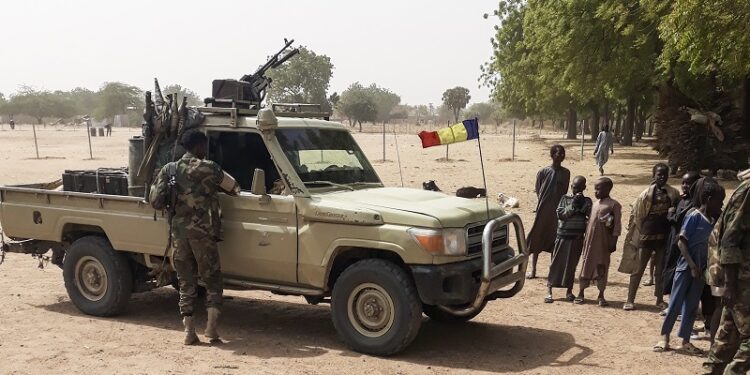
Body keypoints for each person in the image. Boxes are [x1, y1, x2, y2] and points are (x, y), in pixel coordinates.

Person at [154, 129, 238, 345]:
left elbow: (155, 201)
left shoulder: (169, 170)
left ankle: (189, 332)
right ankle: (211, 330)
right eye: (204, 145)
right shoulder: (210, 168)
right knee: (212, 280)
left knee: (186, 283)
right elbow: (234, 188)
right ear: (199, 146)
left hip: (179, 236)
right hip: (204, 235)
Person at [654, 180, 724, 354]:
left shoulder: (714, 220)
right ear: (708, 199)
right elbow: (681, 242)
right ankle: (664, 337)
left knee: (692, 306)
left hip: (701, 271)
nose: (721, 204)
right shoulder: (693, 216)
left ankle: (685, 340)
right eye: (719, 200)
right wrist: (692, 265)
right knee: (676, 303)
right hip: (686, 268)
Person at [703, 171, 750, 374]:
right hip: (741, 279)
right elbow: (730, 238)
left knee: (727, 337)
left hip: (741, 279)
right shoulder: (748, 191)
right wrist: (730, 286)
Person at [620, 163, 680, 311]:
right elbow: (638, 216)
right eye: (659, 174)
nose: (662, 177)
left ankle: (659, 299)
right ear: (653, 176)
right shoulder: (645, 194)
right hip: (646, 236)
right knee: (638, 269)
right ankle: (630, 299)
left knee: (660, 270)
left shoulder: (672, 193)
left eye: (664, 174)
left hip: (663, 237)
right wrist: (640, 233)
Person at [545, 176, 592, 303]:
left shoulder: (587, 201)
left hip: (576, 238)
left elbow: (589, 214)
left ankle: (569, 291)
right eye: (575, 187)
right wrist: (573, 205)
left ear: (584, 188)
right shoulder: (564, 199)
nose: (576, 190)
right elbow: (561, 214)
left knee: (571, 266)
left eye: (580, 188)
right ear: (571, 186)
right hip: (562, 236)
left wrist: (581, 203)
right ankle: (549, 290)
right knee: (556, 264)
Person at [526, 144, 571, 279]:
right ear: (552, 155)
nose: (561, 156)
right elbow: (539, 189)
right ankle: (533, 270)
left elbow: (564, 191)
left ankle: (553, 271)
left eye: (563, 153)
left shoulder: (566, 173)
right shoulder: (543, 172)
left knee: (555, 239)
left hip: (557, 212)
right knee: (536, 238)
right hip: (543, 210)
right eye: (558, 153)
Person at [576, 177, 622, 306]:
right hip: (590, 242)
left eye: (598, 189)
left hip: (603, 243)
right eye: (595, 189)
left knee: (602, 267)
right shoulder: (595, 204)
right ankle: (581, 292)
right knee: (585, 265)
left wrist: (614, 241)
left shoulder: (614, 205)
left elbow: (617, 225)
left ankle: (601, 295)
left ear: (608, 189)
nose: (596, 192)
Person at [662, 171, 701, 297]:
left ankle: (678, 302)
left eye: (688, 183)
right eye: (683, 183)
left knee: (679, 271)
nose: (685, 186)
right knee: (670, 268)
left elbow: (678, 219)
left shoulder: (694, 203)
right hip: (673, 240)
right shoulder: (682, 199)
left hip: (683, 241)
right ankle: (672, 300)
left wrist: (670, 213)